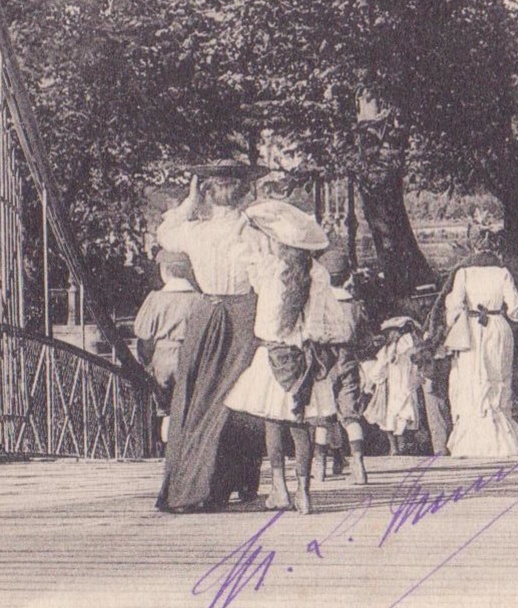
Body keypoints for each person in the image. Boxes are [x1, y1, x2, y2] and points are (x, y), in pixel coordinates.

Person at [155, 162, 269, 513]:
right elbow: (265, 278)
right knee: (242, 397)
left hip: (206, 314)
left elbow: (165, 233)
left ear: (207, 194)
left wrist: (189, 201)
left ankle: (194, 480)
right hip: (244, 315)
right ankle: (234, 482)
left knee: (200, 394)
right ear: (246, 193)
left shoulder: (195, 231)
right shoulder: (253, 233)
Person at [223, 199, 333, 513]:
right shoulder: (319, 275)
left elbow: (236, 250)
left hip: (272, 356)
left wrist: (247, 221)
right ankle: (304, 492)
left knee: (273, 421)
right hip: (303, 356)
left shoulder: (269, 269)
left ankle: (280, 489)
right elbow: (330, 323)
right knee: (301, 424)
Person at [428, 204, 518, 457]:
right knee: (498, 379)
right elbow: (516, 308)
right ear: (492, 246)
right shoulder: (502, 273)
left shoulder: (463, 273)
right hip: (497, 328)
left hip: (472, 329)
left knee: (473, 380)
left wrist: (456, 323)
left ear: (473, 245)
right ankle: (501, 442)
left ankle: (471, 442)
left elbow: (452, 307)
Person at [305, 249, 370, 486]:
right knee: (351, 415)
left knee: (323, 417)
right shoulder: (354, 305)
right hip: (348, 363)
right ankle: (358, 465)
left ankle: (319, 467)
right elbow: (364, 338)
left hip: (323, 366)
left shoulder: (318, 304)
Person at [132, 250, 200, 443]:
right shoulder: (198, 299)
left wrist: (147, 363)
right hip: (189, 357)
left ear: (165, 271)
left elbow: (143, 334)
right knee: (188, 410)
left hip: (162, 358)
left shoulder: (155, 299)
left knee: (167, 413)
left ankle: (167, 457)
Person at [362, 316, 423, 453]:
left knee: (391, 417)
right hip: (407, 386)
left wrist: (376, 380)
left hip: (393, 386)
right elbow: (416, 369)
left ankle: (395, 447)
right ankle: (402, 446)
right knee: (404, 415)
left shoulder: (389, 349)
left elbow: (378, 369)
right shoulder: (412, 345)